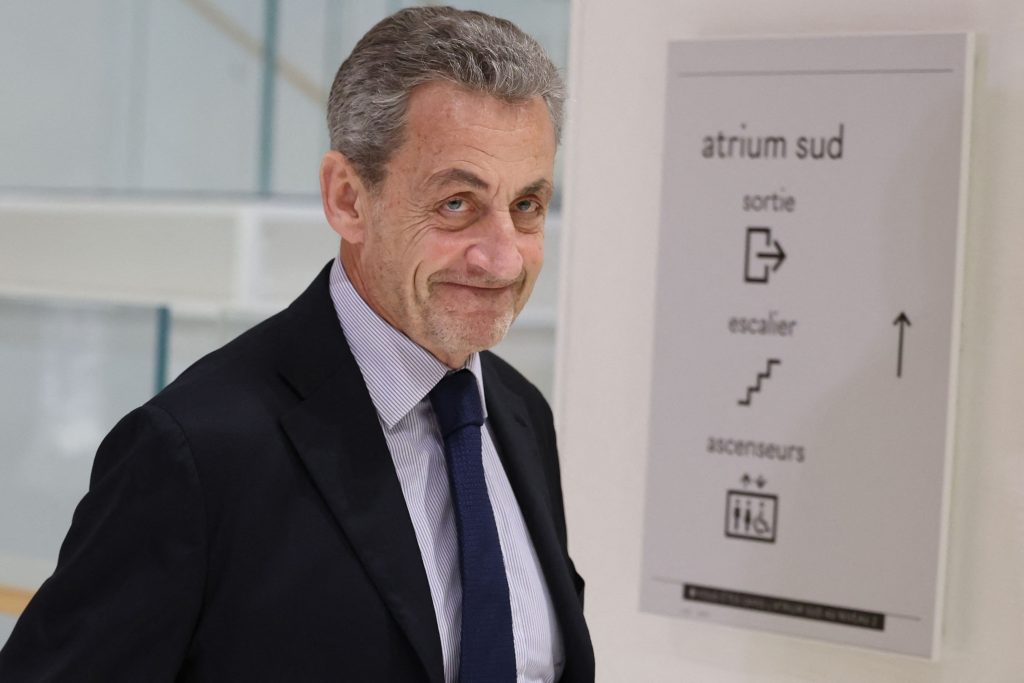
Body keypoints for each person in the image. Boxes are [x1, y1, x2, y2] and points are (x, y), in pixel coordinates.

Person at [0, 6, 594, 682]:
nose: (503, 258)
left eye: (527, 207)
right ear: (347, 199)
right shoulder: (195, 453)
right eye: (456, 203)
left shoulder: (519, 413)